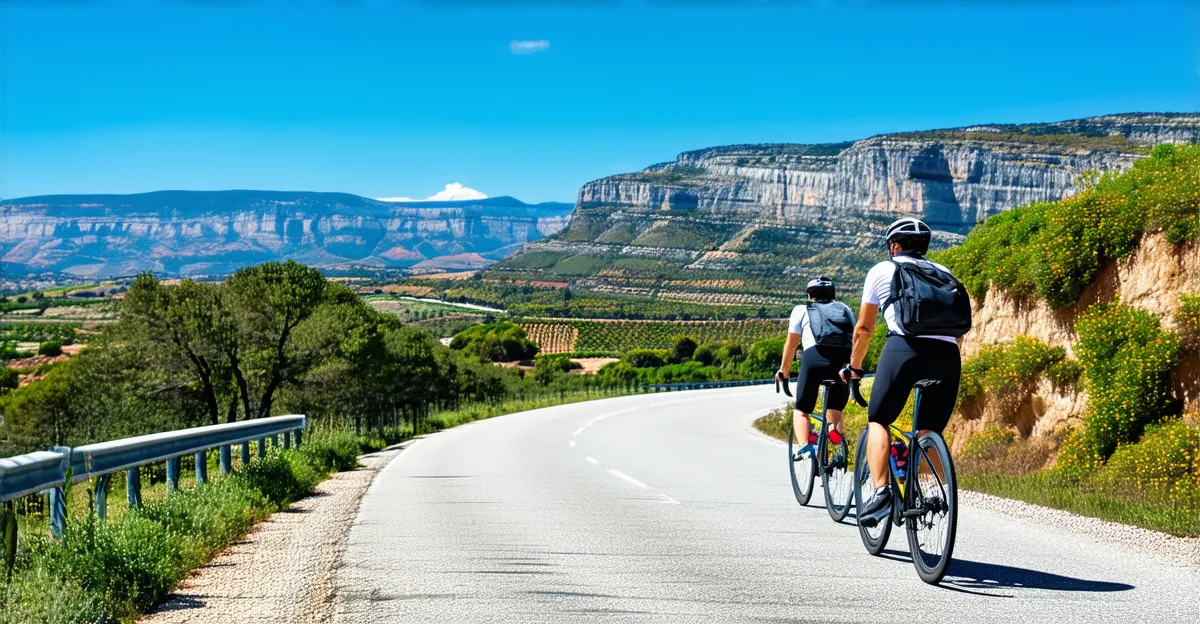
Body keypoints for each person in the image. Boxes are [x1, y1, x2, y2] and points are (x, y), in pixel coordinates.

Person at [839, 217, 965, 527]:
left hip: (904, 351)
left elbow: (865, 328)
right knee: (929, 431)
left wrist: (854, 367)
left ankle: (881, 493)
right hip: (948, 356)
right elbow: (956, 328)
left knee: (879, 419)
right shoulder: (944, 272)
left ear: (894, 246)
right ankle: (927, 490)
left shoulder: (883, 270)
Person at [775, 276, 856, 459]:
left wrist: (784, 370)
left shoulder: (801, 310)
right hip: (842, 361)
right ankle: (836, 442)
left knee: (802, 410)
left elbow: (792, 343)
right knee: (835, 409)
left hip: (814, 358)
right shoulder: (844, 308)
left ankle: (806, 448)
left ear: (810, 295)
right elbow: (855, 335)